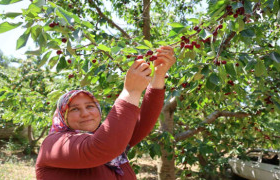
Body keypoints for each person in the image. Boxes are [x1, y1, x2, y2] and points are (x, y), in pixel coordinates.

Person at [35, 46, 176, 180]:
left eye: (90, 106)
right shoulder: (53, 144)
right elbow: (100, 148)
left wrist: (159, 75)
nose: (85, 113)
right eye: (74, 109)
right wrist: (130, 91)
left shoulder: (111, 138)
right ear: (62, 117)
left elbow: (144, 120)